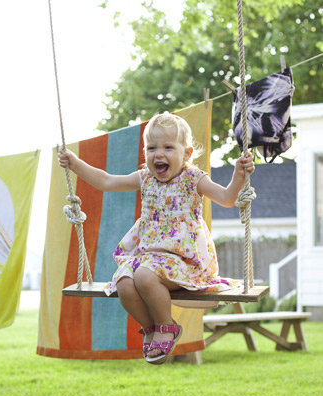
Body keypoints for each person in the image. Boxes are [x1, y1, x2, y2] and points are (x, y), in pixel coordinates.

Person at [58, 112, 255, 365]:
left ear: (186, 154)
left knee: (142, 275)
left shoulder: (193, 179)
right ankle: (152, 329)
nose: (158, 154)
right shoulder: (145, 178)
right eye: (151, 148)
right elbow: (107, 181)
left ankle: (166, 326)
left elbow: (228, 198)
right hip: (150, 260)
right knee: (125, 282)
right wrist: (75, 164)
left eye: (168, 147)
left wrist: (239, 175)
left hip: (185, 262)